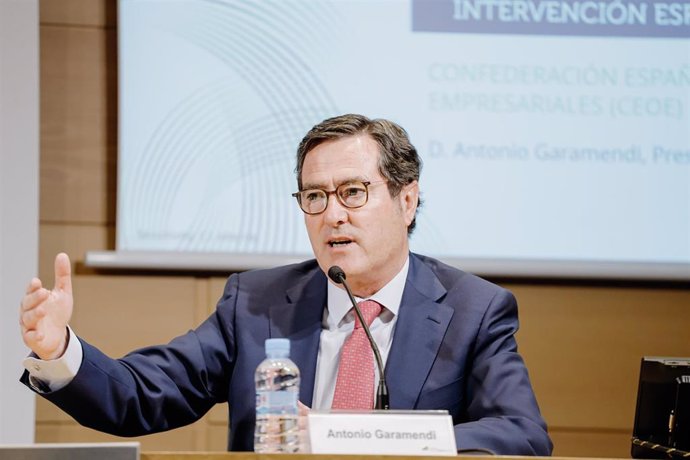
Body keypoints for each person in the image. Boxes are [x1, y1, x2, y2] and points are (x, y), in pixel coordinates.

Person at [19, 114, 553, 455]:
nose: (332, 215)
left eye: (353, 192)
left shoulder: (473, 309)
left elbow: (521, 434)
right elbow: (142, 397)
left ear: (407, 200)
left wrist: (359, 439)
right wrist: (60, 350)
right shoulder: (255, 302)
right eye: (314, 197)